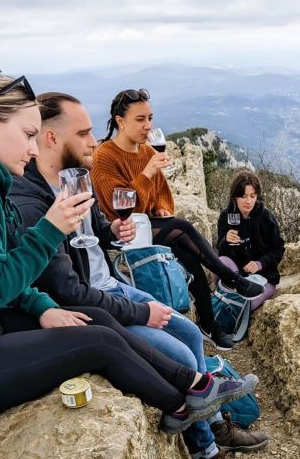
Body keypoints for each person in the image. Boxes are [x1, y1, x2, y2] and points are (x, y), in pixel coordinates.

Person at [0, 72, 256, 434]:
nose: (33, 148)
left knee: (94, 317)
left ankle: (196, 383)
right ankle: (180, 407)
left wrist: (41, 308)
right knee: (97, 343)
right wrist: (50, 229)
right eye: (27, 135)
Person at [9, 92, 268, 459]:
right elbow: (67, 290)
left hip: (109, 284)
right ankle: (207, 456)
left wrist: (114, 232)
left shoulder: (72, 177)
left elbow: (99, 226)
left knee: (190, 333)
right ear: (51, 138)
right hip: (90, 303)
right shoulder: (29, 202)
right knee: (181, 357)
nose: (94, 139)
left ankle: (215, 424)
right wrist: (138, 311)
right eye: (84, 132)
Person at [90, 88, 263, 350]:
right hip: (122, 233)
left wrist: (159, 207)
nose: (148, 126)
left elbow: (161, 194)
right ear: (120, 121)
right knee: (181, 227)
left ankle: (208, 324)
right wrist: (148, 172)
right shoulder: (105, 156)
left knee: (191, 258)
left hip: (149, 227)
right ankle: (231, 279)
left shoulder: (147, 152)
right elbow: (119, 204)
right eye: (140, 119)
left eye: (150, 118)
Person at [215, 171, 284, 311]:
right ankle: (230, 292)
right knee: (221, 262)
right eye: (244, 196)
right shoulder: (226, 216)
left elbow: (278, 249)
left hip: (262, 276)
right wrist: (225, 241)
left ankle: (231, 298)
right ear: (235, 197)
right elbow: (221, 252)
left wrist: (260, 264)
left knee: (244, 305)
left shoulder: (266, 218)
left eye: (253, 196)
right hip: (237, 274)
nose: (249, 201)